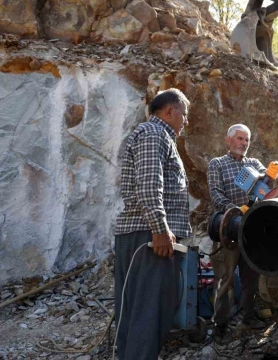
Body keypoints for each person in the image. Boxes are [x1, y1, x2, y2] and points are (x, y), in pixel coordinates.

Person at [114, 88, 191, 360]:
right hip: (149, 239)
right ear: (170, 111)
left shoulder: (156, 135)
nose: (186, 122)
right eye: (184, 114)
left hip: (144, 237)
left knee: (137, 315)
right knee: (149, 314)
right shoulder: (154, 134)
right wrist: (160, 230)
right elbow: (149, 186)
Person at [207, 124, 267, 341]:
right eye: (240, 139)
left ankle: (249, 316)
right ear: (228, 140)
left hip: (251, 230)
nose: (243, 143)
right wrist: (234, 212)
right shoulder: (217, 164)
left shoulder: (254, 164)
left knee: (251, 276)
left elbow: (266, 187)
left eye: (247, 140)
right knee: (225, 278)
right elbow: (215, 194)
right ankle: (220, 323)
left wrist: (270, 177)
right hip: (228, 231)